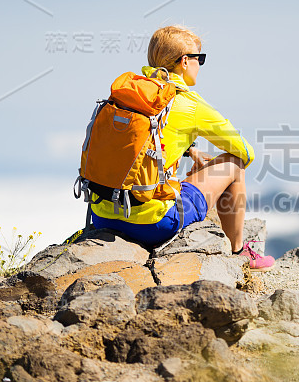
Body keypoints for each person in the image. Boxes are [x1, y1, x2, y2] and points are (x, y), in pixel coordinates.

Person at [89, 25, 274, 271]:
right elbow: (245, 152)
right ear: (185, 62)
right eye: (200, 58)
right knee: (235, 165)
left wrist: (190, 150)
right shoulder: (188, 102)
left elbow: (138, 141)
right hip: (154, 224)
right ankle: (239, 252)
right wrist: (213, 171)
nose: (201, 65)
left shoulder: (131, 95)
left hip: (102, 216)